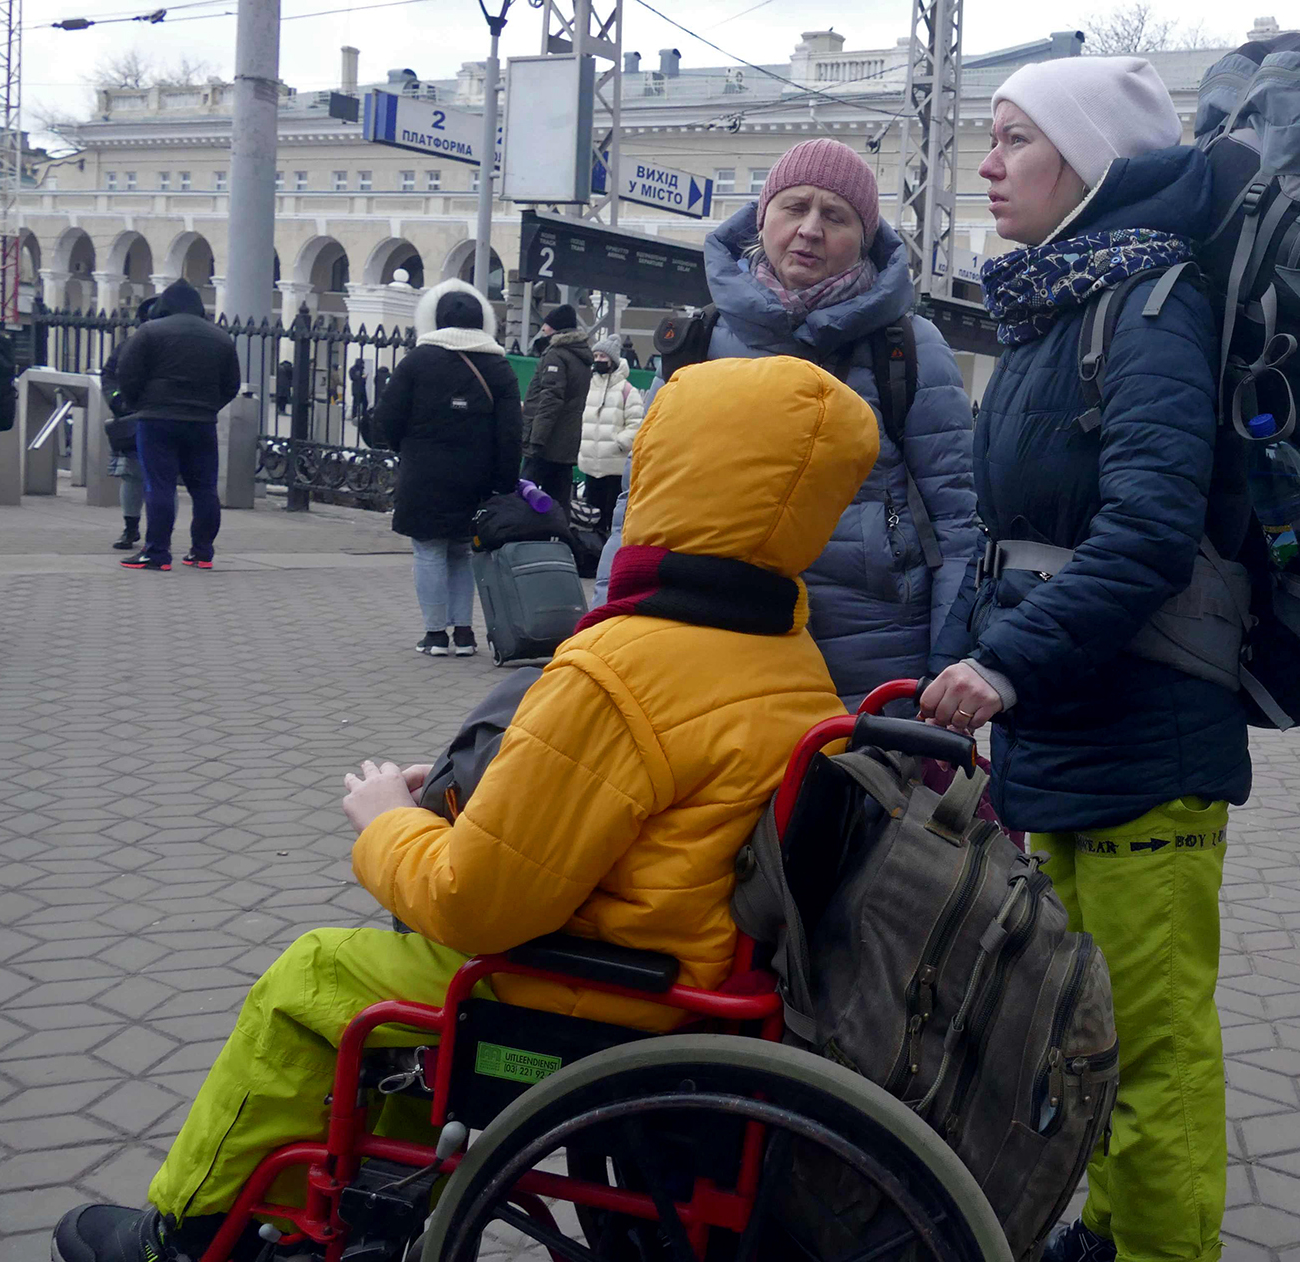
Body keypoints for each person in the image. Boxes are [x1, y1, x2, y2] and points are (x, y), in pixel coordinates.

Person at [49, 356, 879, 1262]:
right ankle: (363, 1214)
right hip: (700, 983)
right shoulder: (790, 658)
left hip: (607, 996)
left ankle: (195, 1235)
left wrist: (384, 821)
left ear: (671, 474)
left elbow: (476, 904)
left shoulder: (625, 665)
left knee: (316, 976)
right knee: (400, 966)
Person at [920, 58, 1246, 1262]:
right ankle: (1108, 1228)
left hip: (1144, 736)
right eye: (987, 140)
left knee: (1152, 1045)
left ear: (1089, 160)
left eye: (1014, 140)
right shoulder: (1059, 306)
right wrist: (967, 662)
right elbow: (1014, 536)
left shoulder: (1150, 306)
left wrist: (1003, 667)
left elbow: (1148, 534)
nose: (989, 165)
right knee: (1076, 1023)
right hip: (1064, 724)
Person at [598, 136, 978, 708]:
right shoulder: (697, 343)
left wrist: (944, 664)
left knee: (855, 796)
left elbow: (957, 522)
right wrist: (603, 623)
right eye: (794, 207)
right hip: (710, 633)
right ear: (762, 217)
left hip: (868, 653)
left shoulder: (909, 350)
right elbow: (638, 505)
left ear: (865, 237)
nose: (810, 229)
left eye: (836, 215)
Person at [372, 279, 521, 658]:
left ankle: (435, 634)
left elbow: (387, 419)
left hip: (425, 472)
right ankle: (466, 633)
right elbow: (510, 432)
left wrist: (404, 448)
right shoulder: (499, 366)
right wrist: (502, 483)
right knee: (462, 549)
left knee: (428, 550)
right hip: (477, 475)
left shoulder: (418, 361)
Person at [115, 280, 240, 572]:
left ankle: (157, 553)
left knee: (159, 485)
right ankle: (202, 552)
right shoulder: (220, 337)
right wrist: (209, 406)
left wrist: (139, 404)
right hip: (202, 422)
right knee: (205, 489)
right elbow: (231, 384)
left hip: (157, 419)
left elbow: (127, 373)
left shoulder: (149, 332)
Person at [99, 296, 160, 556]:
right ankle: (130, 527)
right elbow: (110, 376)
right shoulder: (129, 345)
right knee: (132, 475)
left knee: (161, 479)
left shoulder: (172, 345)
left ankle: (157, 532)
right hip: (134, 418)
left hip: (162, 417)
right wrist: (119, 402)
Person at [519, 303, 592, 510]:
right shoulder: (581, 356)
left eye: (547, 326)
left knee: (525, 494)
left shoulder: (556, 354)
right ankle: (557, 539)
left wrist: (535, 439)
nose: (544, 330)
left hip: (546, 442)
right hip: (567, 442)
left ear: (555, 328)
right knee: (559, 502)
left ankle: (524, 538)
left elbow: (551, 398)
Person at [576, 332, 644, 523]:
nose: (598, 360)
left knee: (611, 516)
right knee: (589, 517)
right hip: (590, 464)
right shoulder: (588, 386)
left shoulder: (627, 390)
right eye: (596, 356)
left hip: (615, 465)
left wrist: (620, 443)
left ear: (613, 360)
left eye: (603, 356)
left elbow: (636, 423)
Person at [348, 356, 369, 425]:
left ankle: (363, 415)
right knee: (356, 403)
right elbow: (352, 377)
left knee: (365, 402)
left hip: (362, 388)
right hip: (356, 388)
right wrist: (360, 377)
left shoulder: (362, 369)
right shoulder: (353, 369)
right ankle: (354, 416)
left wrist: (364, 378)